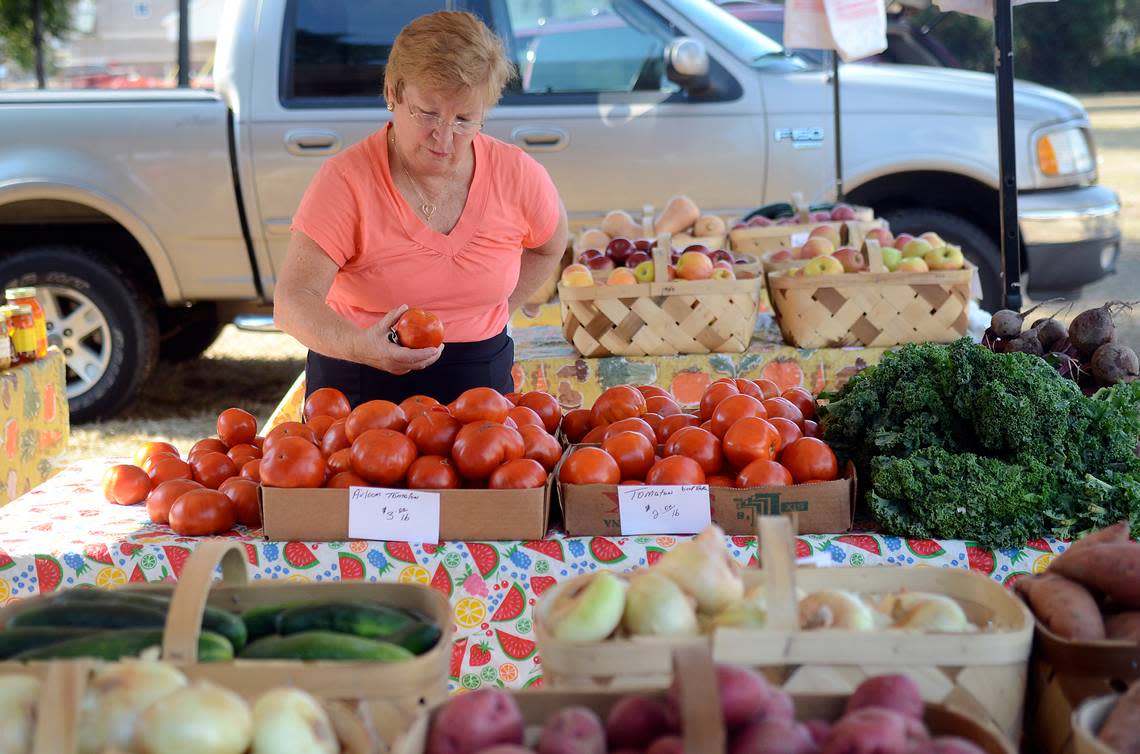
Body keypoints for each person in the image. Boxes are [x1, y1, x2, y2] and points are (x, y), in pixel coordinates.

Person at [274, 11, 568, 408]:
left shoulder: (517, 174)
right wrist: (363, 346)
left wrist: (495, 308)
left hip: (479, 384)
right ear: (393, 93)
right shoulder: (345, 180)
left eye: (465, 119)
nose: (444, 136)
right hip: (362, 386)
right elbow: (293, 301)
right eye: (428, 113)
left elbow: (551, 244)